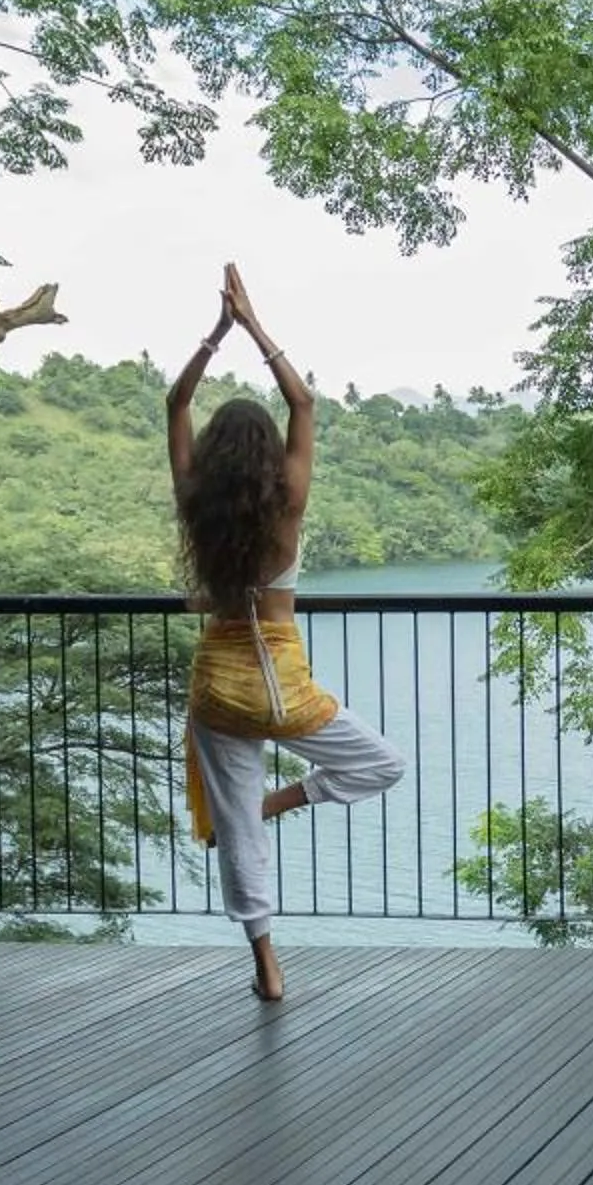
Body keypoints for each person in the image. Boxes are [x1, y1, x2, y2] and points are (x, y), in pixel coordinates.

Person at [169, 263, 404, 1001]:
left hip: (217, 688)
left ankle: (267, 965)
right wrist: (252, 324)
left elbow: (174, 402)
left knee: (236, 830)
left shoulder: (194, 501)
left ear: (210, 455)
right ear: (269, 455)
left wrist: (212, 338)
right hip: (280, 687)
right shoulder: (288, 504)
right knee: (381, 764)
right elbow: (302, 399)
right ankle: (282, 802)